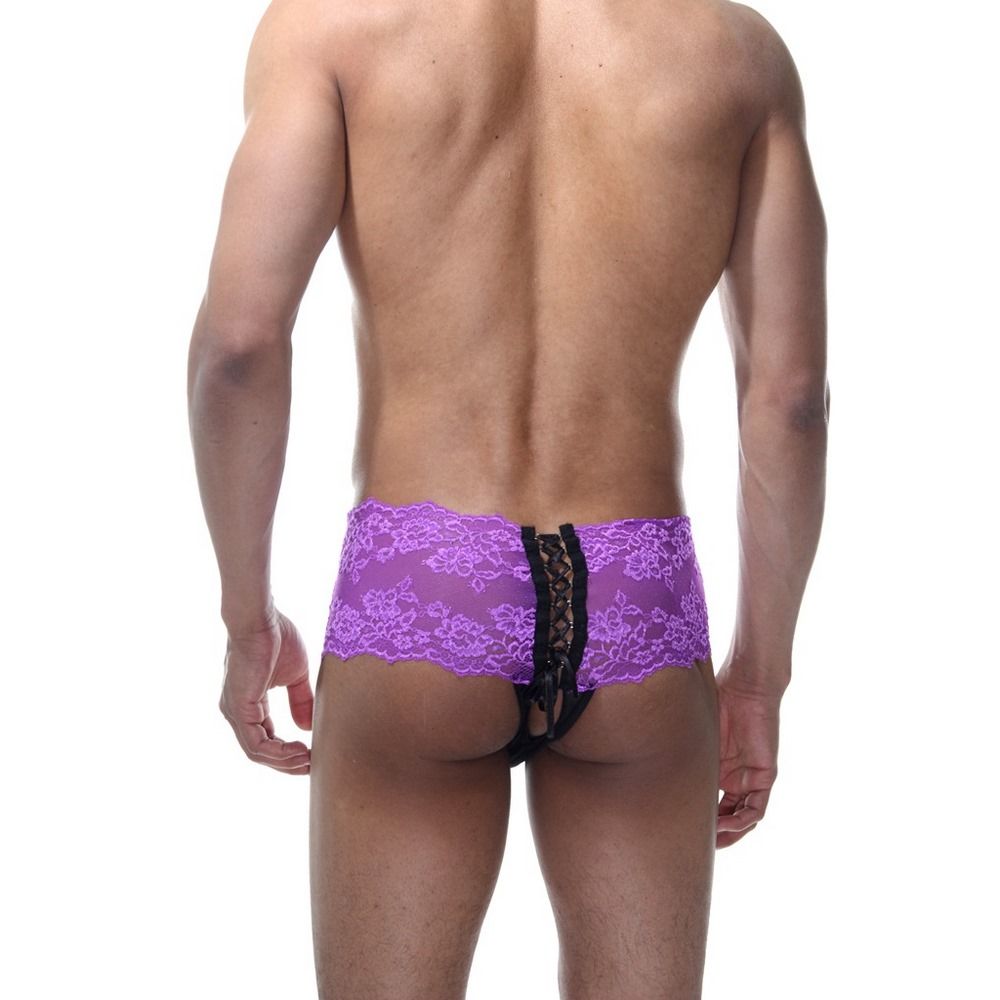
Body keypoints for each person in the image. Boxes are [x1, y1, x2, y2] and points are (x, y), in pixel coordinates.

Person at [187, 0, 828, 996]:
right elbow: (789, 402)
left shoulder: (329, 26)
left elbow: (237, 349)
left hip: (424, 584)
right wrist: (758, 679)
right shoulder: (735, 54)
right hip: (638, 595)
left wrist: (247, 618)